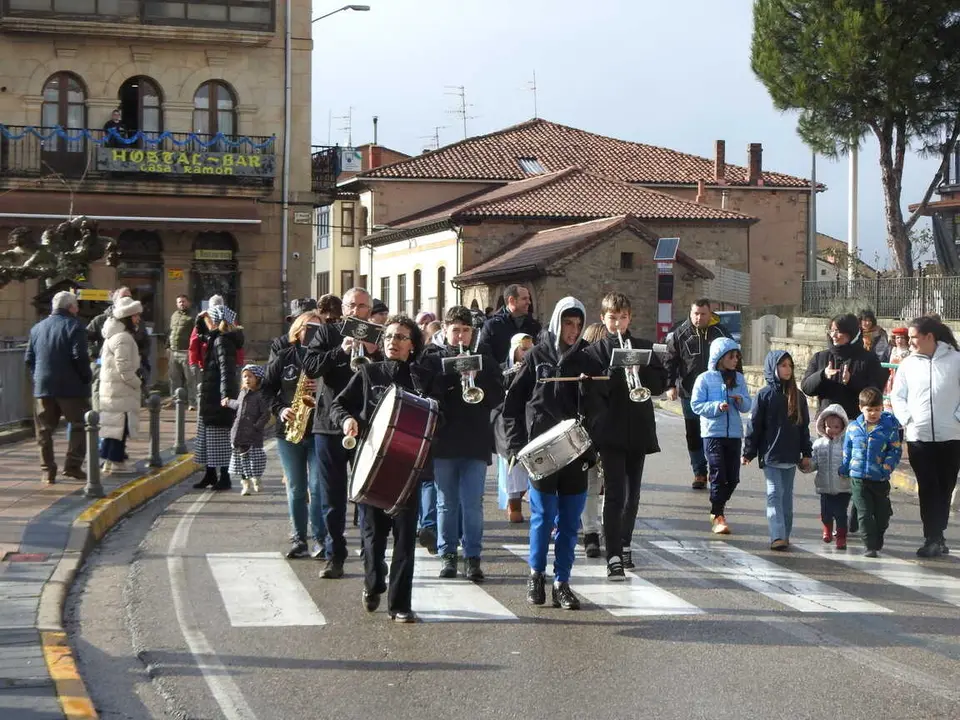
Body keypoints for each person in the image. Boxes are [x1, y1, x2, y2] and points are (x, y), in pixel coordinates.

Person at [330, 314, 444, 623]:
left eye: (401, 337)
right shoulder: (369, 373)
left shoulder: (422, 379)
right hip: (372, 467)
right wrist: (347, 420)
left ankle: (400, 605)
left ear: (412, 345)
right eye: (390, 336)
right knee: (372, 538)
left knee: (405, 540)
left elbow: (437, 417)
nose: (393, 341)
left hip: (408, 470)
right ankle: (373, 582)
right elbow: (337, 405)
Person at [501, 296, 593, 611]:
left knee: (569, 522)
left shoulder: (587, 359)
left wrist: (588, 391)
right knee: (542, 517)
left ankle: (562, 582)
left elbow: (599, 410)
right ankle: (536, 575)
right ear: (557, 322)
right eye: (569, 323)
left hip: (576, 453)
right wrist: (515, 445)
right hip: (541, 452)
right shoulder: (537, 356)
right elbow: (512, 405)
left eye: (579, 325)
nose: (573, 330)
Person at [582, 293, 668, 577]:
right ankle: (614, 554)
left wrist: (640, 369)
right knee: (615, 493)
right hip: (610, 431)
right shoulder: (594, 353)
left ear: (629, 317)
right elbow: (592, 394)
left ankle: (626, 542)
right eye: (612, 318)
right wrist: (615, 372)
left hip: (639, 428)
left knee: (633, 494)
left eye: (622, 317)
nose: (617, 323)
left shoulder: (643, 348)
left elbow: (659, 385)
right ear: (603, 318)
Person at [302, 287, 383, 578]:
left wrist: (376, 354)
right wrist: (341, 350)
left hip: (367, 424)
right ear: (343, 308)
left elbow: (393, 371)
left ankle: (369, 550)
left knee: (365, 492)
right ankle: (334, 554)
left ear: (369, 310)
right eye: (351, 305)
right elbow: (310, 367)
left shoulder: (377, 334)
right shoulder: (327, 333)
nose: (356, 311)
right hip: (329, 423)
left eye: (362, 306)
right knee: (332, 496)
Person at [421, 306, 504, 581]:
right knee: (446, 503)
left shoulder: (485, 359)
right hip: (444, 441)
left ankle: (473, 557)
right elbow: (427, 395)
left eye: (465, 331)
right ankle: (447, 556)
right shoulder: (434, 359)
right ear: (445, 331)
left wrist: (478, 376)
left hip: (475, 440)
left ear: (472, 333)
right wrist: (449, 378)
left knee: (473, 504)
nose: (460, 337)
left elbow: (497, 396)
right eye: (455, 330)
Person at [891, 316, 960, 558]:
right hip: (918, 437)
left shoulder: (956, 360)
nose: (909, 342)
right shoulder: (908, 364)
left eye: (914, 337)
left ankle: (938, 536)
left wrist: (957, 417)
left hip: (951, 437)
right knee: (928, 487)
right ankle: (932, 536)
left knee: (944, 487)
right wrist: (907, 418)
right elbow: (897, 396)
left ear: (930, 337)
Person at [263, 312, 329, 560]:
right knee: (296, 487)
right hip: (289, 431)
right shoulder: (285, 357)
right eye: (309, 328)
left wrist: (321, 387)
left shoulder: (328, 359)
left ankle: (320, 539)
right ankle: (299, 538)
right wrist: (281, 409)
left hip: (320, 429)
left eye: (318, 329)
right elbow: (267, 389)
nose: (313, 333)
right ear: (298, 330)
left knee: (317, 487)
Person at [742, 351, 812, 550]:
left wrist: (806, 453)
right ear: (773, 367)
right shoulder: (764, 395)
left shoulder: (798, 396)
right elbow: (754, 426)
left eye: (790, 366)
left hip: (790, 455)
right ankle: (777, 535)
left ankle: (785, 534)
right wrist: (748, 452)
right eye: (783, 365)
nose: (787, 370)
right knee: (774, 493)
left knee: (786, 497)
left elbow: (803, 427)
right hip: (771, 455)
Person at [664, 299, 735, 489]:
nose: (698, 317)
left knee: (714, 433)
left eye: (703, 314)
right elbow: (670, 360)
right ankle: (699, 473)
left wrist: (734, 382)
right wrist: (670, 385)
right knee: (694, 433)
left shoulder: (721, 332)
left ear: (710, 313)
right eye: (695, 313)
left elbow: (734, 358)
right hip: (690, 392)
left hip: (716, 392)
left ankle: (715, 470)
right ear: (691, 312)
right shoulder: (680, 333)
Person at [24, 291, 91, 484]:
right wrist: (86, 377)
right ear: (71, 307)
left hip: (44, 386)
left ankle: (47, 471)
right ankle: (73, 466)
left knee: (44, 430)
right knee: (80, 425)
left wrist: (39, 377)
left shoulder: (37, 328)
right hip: (71, 387)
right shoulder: (75, 326)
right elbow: (79, 356)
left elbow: (29, 358)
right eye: (76, 306)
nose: (77, 309)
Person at [690, 337, 751, 534]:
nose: (735, 360)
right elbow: (696, 405)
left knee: (733, 478)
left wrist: (740, 400)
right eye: (731, 356)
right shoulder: (705, 378)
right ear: (720, 357)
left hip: (733, 434)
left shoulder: (739, 379)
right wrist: (717, 407)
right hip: (712, 434)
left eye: (737, 357)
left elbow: (748, 405)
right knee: (718, 474)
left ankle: (718, 507)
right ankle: (718, 515)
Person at [840, 387, 902, 557]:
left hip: (880, 478)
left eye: (877, 409)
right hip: (858, 478)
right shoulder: (853, 428)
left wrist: (886, 468)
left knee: (882, 514)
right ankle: (870, 545)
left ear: (882, 408)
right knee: (865, 513)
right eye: (869, 410)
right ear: (861, 408)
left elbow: (895, 451)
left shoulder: (888, 429)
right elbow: (847, 450)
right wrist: (845, 467)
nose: (873, 413)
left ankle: (878, 535)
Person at [801, 313, 889, 422]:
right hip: (827, 424)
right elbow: (806, 388)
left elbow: (876, 391)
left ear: (851, 333)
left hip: (856, 423)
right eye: (831, 330)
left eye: (838, 331)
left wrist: (851, 381)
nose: (833, 335)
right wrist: (822, 375)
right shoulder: (820, 357)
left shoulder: (868, 358)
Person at [192, 305, 242, 491]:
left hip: (216, 395)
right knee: (208, 438)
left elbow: (226, 371)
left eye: (208, 319)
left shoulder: (222, 341)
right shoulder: (217, 338)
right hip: (210, 393)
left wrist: (226, 397)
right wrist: (199, 320)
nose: (207, 323)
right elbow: (202, 334)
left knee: (219, 439)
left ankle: (225, 477)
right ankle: (210, 474)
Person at [97, 296, 144, 476]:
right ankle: (116, 462)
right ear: (127, 317)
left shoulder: (114, 335)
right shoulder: (123, 337)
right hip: (121, 390)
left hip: (113, 390)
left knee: (112, 428)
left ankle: (110, 461)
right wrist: (137, 382)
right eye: (135, 316)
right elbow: (123, 366)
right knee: (120, 428)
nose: (138, 319)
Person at [494, 332, 534, 523]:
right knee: (510, 462)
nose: (526, 353)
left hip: (527, 418)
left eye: (529, 349)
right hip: (506, 421)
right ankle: (514, 504)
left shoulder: (534, 366)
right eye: (523, 349)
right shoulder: (503, 369)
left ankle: (532, 499)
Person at [88, 287, 148, 411]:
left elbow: (145, 342)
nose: (127, 299)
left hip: (129, 372)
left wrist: (139, 357)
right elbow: (86, 338)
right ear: (115, 300)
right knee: (102, 404)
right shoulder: (101, 319)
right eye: (124, 297)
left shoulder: (136, 321)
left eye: (130, 297)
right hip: (104, 367)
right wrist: (95, 355)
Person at [801, 404, 852, 550]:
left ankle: (841, 537)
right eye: (829, 426)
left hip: (843, 487)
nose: (832, 430)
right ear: (823, 426)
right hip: (824, 486)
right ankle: (827, 530)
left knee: (841, 514)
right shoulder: (818, 444)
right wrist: (805, 465)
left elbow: (852, 461)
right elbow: (814, 464)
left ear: (842, 427)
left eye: (836, 427)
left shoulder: (847, 445)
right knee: (826, 513)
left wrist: (849, 471)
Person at [579, 322, 606, 557]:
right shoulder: (585, 366)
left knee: (597, 486)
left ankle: (594, 531)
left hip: (606, 429)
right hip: (590, 431)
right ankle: (591, 532)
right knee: (592, 485)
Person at [224, 364, 272, 496]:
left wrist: (256, 427)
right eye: (244, 376)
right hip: (239, 434)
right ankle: (245, 485)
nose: (247, 379)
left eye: (250, 376)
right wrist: (228, 402)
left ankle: (256, 478)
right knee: (242, 461)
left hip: (253, 436)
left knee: (255, 460)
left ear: (258, 378)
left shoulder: (260, 396)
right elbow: (238, 405)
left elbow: (266, 414)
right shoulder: (242, 393)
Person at [477, 284, 542, 365]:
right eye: (524, 299)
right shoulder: (492, 326)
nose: (529, 302)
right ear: (511, 300)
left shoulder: (534, 326)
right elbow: (484, 357)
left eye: (529, 298)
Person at [167, 294, 196, 409]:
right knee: (174, 378)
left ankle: (192, 402)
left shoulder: (193, 316)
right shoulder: (174, 315)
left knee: (190, 379)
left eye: (183, 301)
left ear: (188, 303)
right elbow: (171, 332)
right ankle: (175, 401)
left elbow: (196, 334)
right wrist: (167, 347)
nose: (181, 304)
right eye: (179, 302)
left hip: (186, 352)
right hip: (173, 351)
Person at [269, 297, 318, 362]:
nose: (300, 323)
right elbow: (271, 370)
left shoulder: (326, 341)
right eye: (297, 320)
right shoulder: (281, 344)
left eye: (308, 319)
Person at [883, 327, 910, 411]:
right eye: (897, 337)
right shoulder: (893, 350)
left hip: (905, 378)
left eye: (902, 337)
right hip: (892, 378)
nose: (899, 340)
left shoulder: (910, 351)